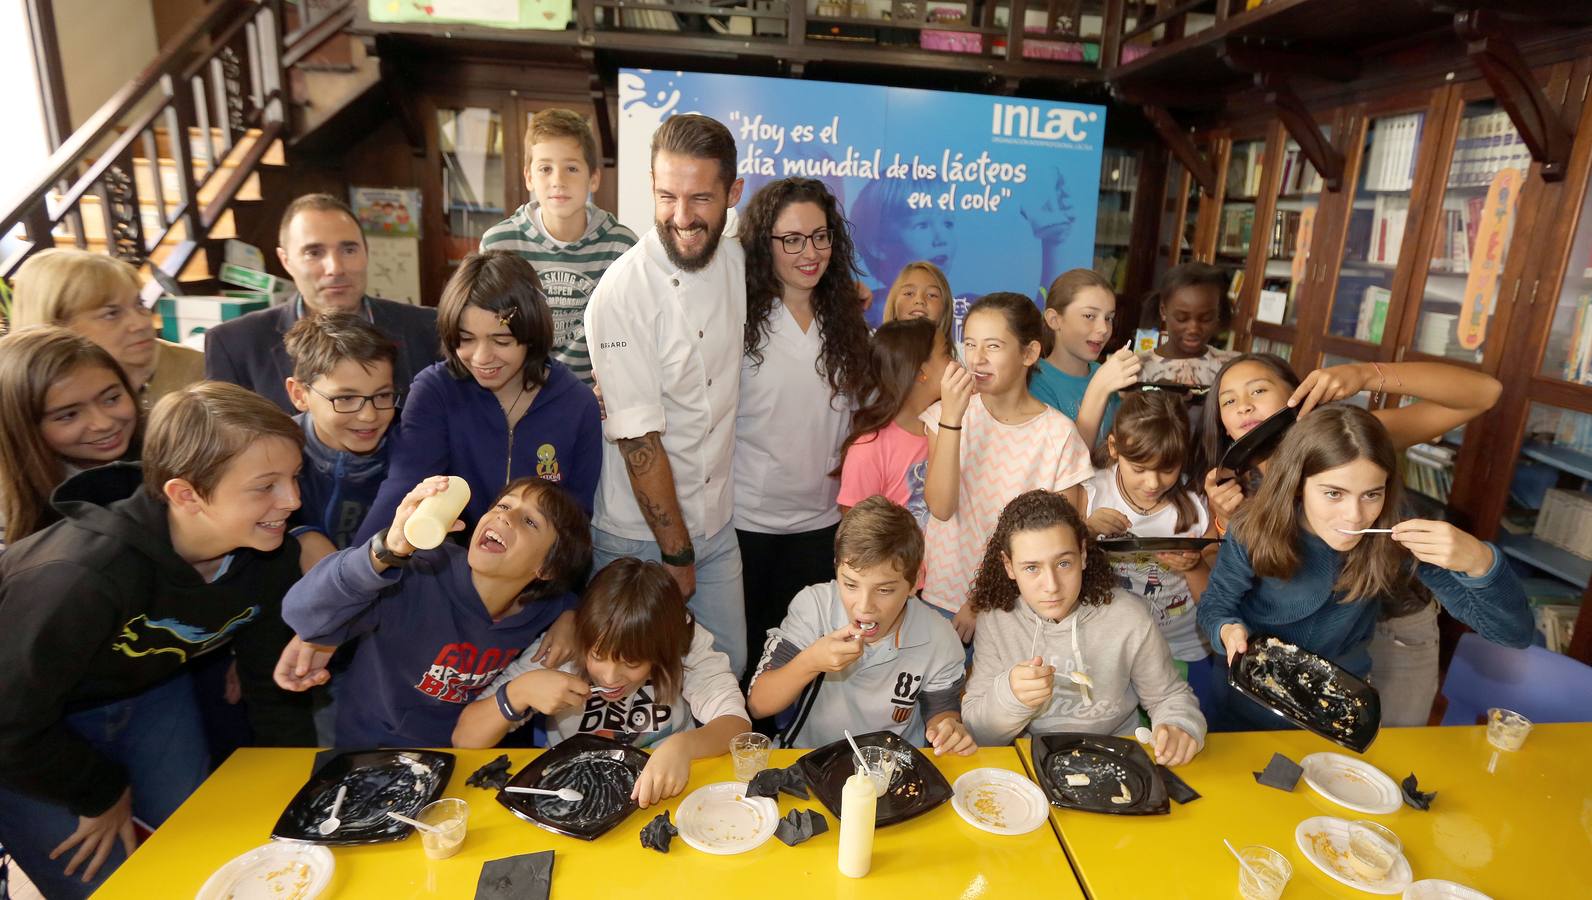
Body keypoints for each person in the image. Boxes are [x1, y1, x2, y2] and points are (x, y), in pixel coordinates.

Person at [0, 383, 316, 897]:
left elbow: (270, 679)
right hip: (21, 726)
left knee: (202, 857)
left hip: (147, 692)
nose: (293, 500)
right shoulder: (80, 575)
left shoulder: (269, 553)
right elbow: (9, 719)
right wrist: (100, 793)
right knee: (109, 884)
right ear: (185, 493)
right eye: (265, 486)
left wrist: (298, 786)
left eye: (294, 477)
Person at [1200, 354, 1506, 726]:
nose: (1243, 405)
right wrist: (1224, 520)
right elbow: (1226, 588)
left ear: (1300, 396)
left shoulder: (1351, 438)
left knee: (1388, 750)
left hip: (1393, 619)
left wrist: (1365, 373)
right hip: (1313, 647)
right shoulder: (1233, 482)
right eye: (1228, 400)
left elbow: (1484, 394)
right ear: (1224, 424)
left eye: (1259, 390)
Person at [584, 113, 750, 676]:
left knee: (728, 667)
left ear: (733, 192)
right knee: (634, 685)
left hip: (716, 521)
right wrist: (676, 554)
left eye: (701, 198)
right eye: (665, 197)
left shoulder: (736, 260)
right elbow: (639, 442)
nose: (682, 218)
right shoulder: (621, 294)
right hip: (638, 534)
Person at [278, 476, 591, 747]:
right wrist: (388, 547)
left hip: (450, 758)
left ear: (547, 567)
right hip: (366, 750)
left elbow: (574, 601)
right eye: (503, 506)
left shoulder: (544, 611)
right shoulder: (416, 574)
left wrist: (571, 618)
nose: (506, 518)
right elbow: (300, 611)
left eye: (530, 521)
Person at [455, 558, 749, 808]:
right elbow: (464, 740)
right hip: (573, 794)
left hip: (669, 792)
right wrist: (519, 692)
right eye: (597, 655)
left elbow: (736, 723)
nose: (609, 676)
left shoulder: (684, 645)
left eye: (632, 663)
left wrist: (684, 745)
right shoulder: (560, 651)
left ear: (662, 652)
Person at [356, 251, 601, 544]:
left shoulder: (575, 404)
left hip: (540, 575)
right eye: (466, 339)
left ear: (533, 334)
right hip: (448, 572)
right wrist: (354, 570)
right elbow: (402, 491)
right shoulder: (435, 392)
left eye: (502, 341)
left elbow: (575, 519)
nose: (482, 358)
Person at [735, 177, 872, 678]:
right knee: (747, 659)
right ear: (762, 244)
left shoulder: (845, 318)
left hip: (821, 525)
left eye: (820, 236)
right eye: (791, 240)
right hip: (746, 524)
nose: (809, 252)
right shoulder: (738, 315)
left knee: (806, 661)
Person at [961, 490, 1205, 762]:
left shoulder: (1128, 616)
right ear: (1008, 566)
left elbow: (1169, 697)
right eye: (1032, 568)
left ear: (1084, 555)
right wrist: (1010, 697)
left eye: (1064, 563)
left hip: (1117, 757)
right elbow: (976, 733)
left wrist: (1180, 725)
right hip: (1032, 763)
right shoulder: (996, 621)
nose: (1051, 586)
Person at [921, 292, 1093, 646]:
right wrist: (952, 420)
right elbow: (941, 507)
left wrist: (983, 598)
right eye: (969, 344)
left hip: (1021, 608)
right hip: (943, 599)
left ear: (1029, 353)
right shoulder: (945, 414)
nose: (977, 359)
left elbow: (1060, 543)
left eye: (993, 346)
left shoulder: (1058, 435)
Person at [747, 497, 976, 754]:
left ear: (915, 583)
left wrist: (948, 729)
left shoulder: (939, 636)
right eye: (851, 585)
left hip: (892, 768)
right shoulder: (814, 608)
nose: (865, 605)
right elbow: (758, 704)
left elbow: (942, 712)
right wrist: (810, 661)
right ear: (836, 571)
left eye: (885, 589)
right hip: (809, 757)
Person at [204, 193, 439, 412]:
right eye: (314, 253)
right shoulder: (235, 345)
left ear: (366, 252)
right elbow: (227, 445)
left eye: (349, 249)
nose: (335, 268)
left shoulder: (427, 328)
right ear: (285, 261)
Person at [479, 107, 638, 387]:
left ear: (594, 179)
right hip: (519, 392)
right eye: (545, 168)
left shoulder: (621, 247)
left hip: (594, 399)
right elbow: (488, 330)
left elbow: (629, 336)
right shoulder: (498, 245)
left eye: (572, 168)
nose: (558, 181)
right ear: (529, 177)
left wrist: (613, 388)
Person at [1082, 391, 1216, 714]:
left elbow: (1213, 596)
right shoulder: (1092, 493)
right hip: (1110, 648)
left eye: (1167, 468)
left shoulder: (1196, 508)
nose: (1153, 482)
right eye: (1139, 468)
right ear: (1114, 448)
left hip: (1182, 647)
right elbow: (1064, 566)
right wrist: (1084, 531)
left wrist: (1194, 566)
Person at [8, 247, 203, 408]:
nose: (141, 323)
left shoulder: (197, 370)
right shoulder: (16, 395)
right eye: (111, 314)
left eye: (140, 304)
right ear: (56, 327)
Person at [0, 327, 140, 547]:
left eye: (112, 398)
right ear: (23, 429)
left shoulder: (169, 456)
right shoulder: (9, 511)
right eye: (68, 415)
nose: (103, 423)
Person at [282, 312, 399, 556]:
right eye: (345, 398)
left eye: (382, 395)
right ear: (300, 395)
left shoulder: (415, 448)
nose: (369, 415)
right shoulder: (274, 451)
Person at [835, 318, 951, 531]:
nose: (957, 363)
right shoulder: (868, 450)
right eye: (947, 353)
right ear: (920, 372)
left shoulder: (954, 430)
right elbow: (857, 542)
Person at [1031, 268, 1139, 446]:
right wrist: (1099, 387)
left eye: (1109, 318)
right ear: (1054, 320)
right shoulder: (1036, 383)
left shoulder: (1103, 374)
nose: (1103, 329)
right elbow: (1069, 463)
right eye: (1089, 316)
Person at [1138, 262, 1237, 387]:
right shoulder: (1139, 369)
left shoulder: (1231, 367)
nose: (1193, 329)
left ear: (1218, 314)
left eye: (1206, 318)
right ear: (1163, 311)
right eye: (1182, 318)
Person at [879, 260, 955, 347]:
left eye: (931, 295)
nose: (919, 300)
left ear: (945, 308)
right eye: (909, 293)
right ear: (894, 304)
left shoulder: (949, 360)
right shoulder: (875, 356)